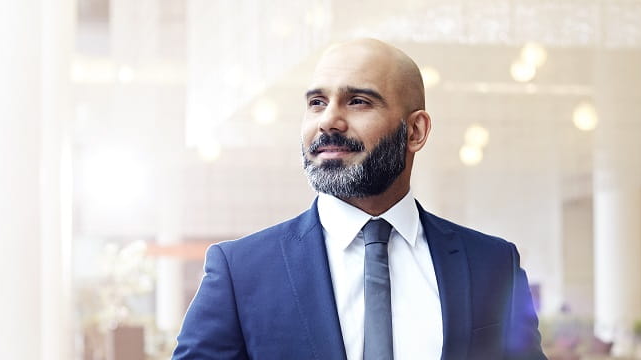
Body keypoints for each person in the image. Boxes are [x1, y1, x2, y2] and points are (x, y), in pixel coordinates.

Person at [172, 38, 547, 360]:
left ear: (415, 131)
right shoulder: (240, 272)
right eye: (317, 102)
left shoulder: (493, 265)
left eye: (358, 102)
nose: (328, 121)